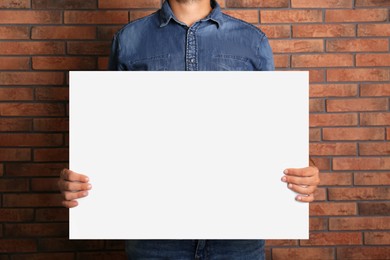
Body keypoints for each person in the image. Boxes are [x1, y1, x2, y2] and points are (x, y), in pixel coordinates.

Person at [58, 0, 320, 259]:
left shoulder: (252, 40)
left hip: (237, 235)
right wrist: (81, 180)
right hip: (153, 238)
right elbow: (111, 134)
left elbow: (271, 129)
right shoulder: (129, 40)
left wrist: (303, 170)